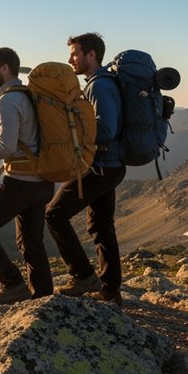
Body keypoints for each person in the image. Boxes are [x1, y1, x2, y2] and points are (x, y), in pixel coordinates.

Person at [0, 47, 56, 305]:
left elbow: (5, 146)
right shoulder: (28, 95)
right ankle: (43, 298)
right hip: (42, 180)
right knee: (31, 242)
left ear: (4, 68)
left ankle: (12, 284)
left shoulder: (8, 99)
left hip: (20, 181)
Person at [45, 32, 126, 305]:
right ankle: (110, 290)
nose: (71, 60)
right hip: (109, 165)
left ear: (91, 55)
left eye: (75, 53)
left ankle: (83, 276)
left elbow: (105, 128)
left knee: (54, 214)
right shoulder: (102, 82)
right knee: (101, 226)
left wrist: (72, 134)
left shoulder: (99, 86)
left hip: (101, 165)